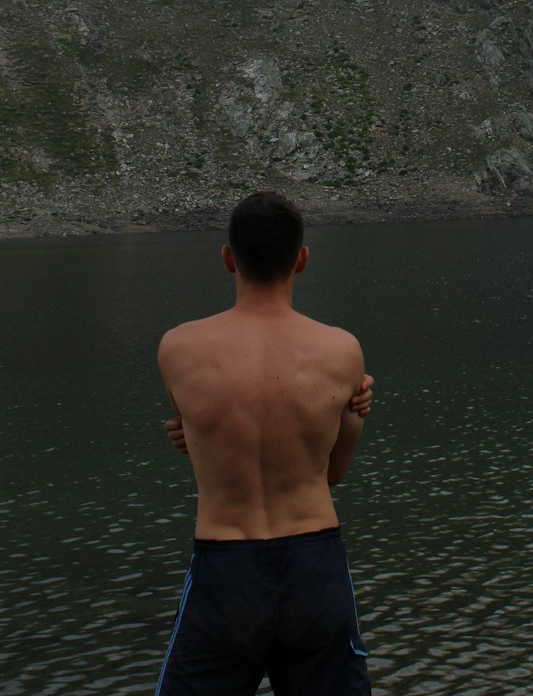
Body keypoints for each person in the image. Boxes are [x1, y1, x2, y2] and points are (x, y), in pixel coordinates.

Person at [154, 191, 375, 696]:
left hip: (226, 569)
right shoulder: (341, 351)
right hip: (314, 567)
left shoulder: (178, 348)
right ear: (302, 260)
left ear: (228, 258)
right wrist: (354, 415)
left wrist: (191, 435)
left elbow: (205, 434)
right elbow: (333, 473)